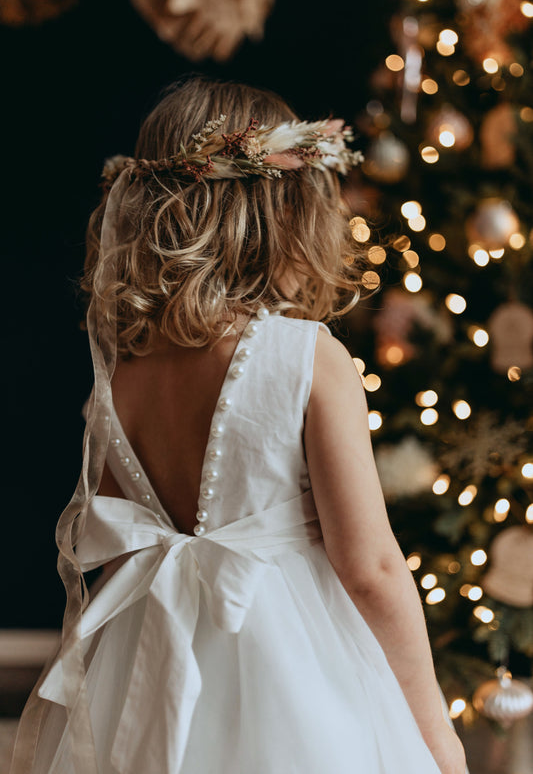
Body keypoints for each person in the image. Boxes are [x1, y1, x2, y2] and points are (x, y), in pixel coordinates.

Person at [11, 76, 466, 774]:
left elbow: (121, 535)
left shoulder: (122, 372)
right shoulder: (309, 356)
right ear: (289, 207)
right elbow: (370, 567)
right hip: (290, 661)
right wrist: (433, 728)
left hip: (145, 654)